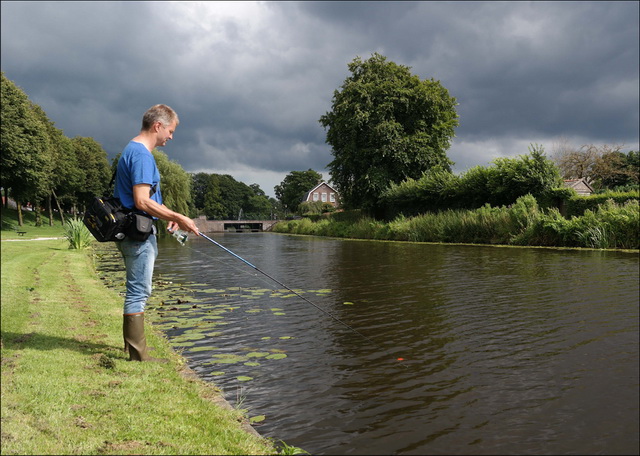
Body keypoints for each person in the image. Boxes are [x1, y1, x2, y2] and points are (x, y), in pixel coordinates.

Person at [114, 104, 200, 362]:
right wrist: (179, 216)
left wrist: (167, 219)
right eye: (171, 131)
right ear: (157, 126)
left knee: (136, 289)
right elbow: (141, 201)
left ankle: (133, 351)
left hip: (134, 233)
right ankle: (139, 357)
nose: (171, 137)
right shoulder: (141, 155)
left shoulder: (131, 150)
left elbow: (146, 200)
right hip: (138, 238)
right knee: (138, 291)